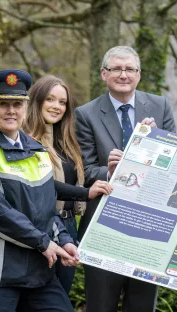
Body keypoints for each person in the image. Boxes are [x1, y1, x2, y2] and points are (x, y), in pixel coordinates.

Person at [0, 69, 81, 312]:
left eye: (17, 104)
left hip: (37, 273)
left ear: (25, 108)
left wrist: (63, 240)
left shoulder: (38, 152)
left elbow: (46, 210)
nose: (11, 111)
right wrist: (44, 243)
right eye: (3, 104)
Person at [75, 45, 176, 312]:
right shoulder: (86, 114)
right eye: (116, 69)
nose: (123, 74)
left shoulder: (160, 105)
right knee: (100, 306)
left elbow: (175, 164)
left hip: (148, 226)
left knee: (142, 306)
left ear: (139, 74)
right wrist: (109, 171)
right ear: (103, 74)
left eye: (130, 69)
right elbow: (83, 171)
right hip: (103, 227)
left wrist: (157, 144)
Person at [23, 75, 112, 294]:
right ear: (37, 101)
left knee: (61, 294)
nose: (56, 107)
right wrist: (85, 193)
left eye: (62, 102)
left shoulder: (66, 141)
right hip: (41, 229)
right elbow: (44, 184)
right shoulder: (25, 141)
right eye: (50, 100)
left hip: (69, 228)